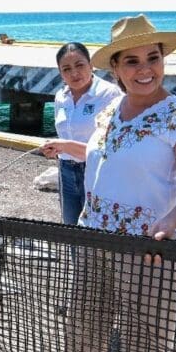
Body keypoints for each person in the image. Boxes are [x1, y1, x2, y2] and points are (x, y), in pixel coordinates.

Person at [43, 14, 176, 352]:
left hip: (146, 250)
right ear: (115, 69)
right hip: (92, 238)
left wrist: (169, 224)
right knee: (82, 334)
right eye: (131, 61)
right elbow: (102, 156)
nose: (144, 69)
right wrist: (66, 148)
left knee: (143, 343)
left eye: (153, 58)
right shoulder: (111, 110)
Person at [44, 42, 122, 226]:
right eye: (66, 69)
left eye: (80, 65)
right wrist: (54, 149)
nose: (74, 73)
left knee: (96, 230)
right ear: (60, 72)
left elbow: (111, 147)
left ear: (91, 65)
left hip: (95, 171)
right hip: (65, 170)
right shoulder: (60, 97)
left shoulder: (109, 94)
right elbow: (63, 134)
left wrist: (65, 146)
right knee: (70, 227)